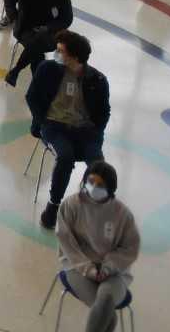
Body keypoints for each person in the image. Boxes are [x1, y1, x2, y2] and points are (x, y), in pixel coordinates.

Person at [26, 31, 110, 229]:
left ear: (75, 57)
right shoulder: (47, 69)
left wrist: (97, 134)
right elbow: (32, 97)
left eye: (60, 51)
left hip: (86, 132)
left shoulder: (98, 80)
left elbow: (104, 112)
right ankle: (53, 206)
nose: (56, 53)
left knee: (98, 166)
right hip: (54, 127)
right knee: (65, 156)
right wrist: (42, 122)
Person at [53, 161, 140, 332]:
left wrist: (107, 268)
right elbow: (67, 243)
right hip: (77, 266)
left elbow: (129, 249)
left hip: (114, 271)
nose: (94, 187)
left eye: (100, 185)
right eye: (91, 181)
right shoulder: (71, 205)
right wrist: (89, 269)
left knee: (106, 300)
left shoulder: (122, 215)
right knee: (106, 313)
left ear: (110, 188)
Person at [6, 0, 75, 85]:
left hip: (50, 31)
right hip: (25, 28)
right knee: (38, 46)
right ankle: (34, 81)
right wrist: (14, 16)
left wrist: (48, 28)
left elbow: (67, 18)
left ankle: (16, 70)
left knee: (39, 42)